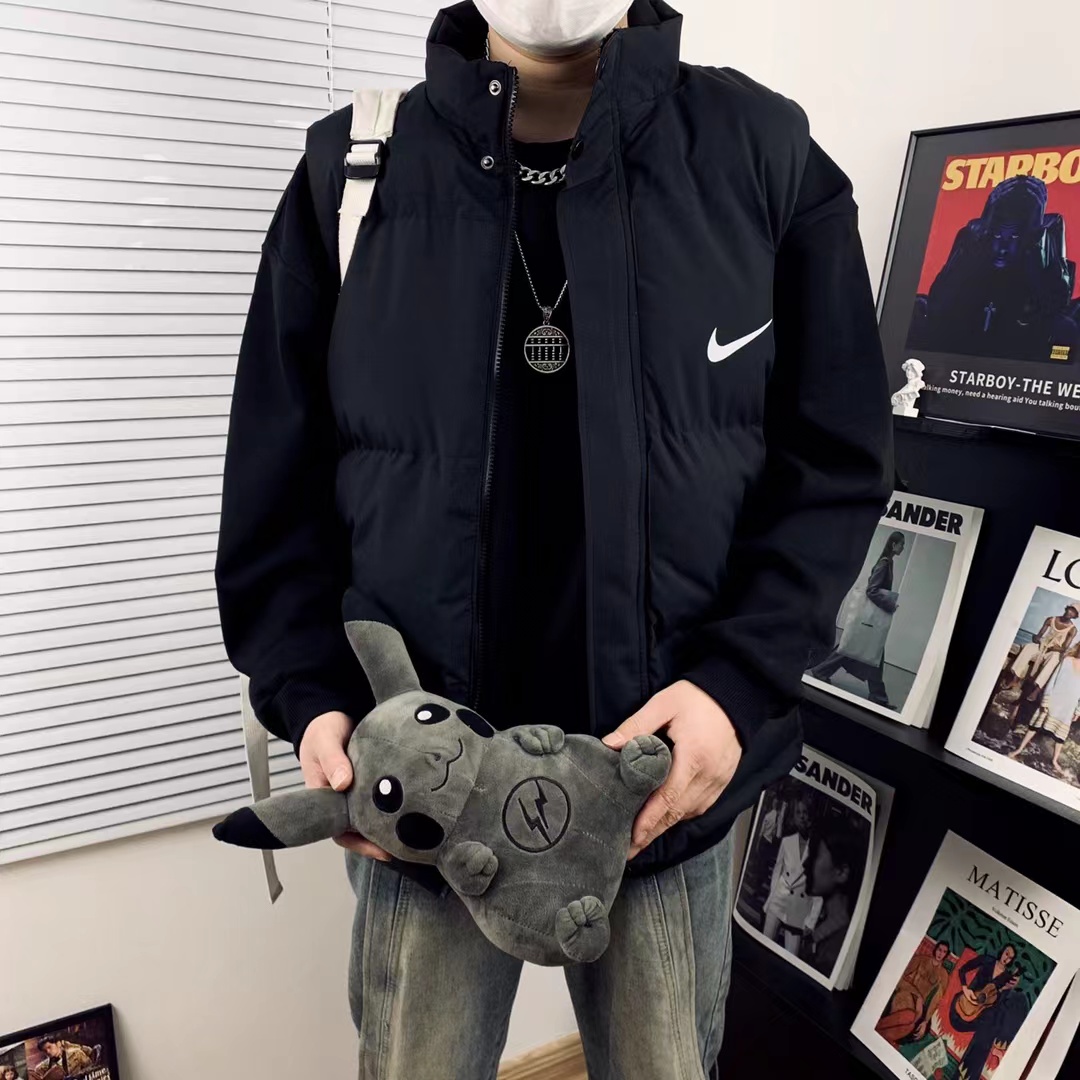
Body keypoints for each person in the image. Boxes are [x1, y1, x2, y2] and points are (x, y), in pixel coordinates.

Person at [214, 0, 893, 1075]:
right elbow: (274, 482)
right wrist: (315, 699)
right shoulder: (352, 172)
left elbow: (836, 462)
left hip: (663, 779)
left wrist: (736, 684)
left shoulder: (764, 155)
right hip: (426, 783)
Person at [809, 531, 905, 707]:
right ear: (894, 545)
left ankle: (822, 671)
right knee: (862, 650)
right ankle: (877, 696)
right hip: (871, 621)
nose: (903, 548)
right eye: (901, 544)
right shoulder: (884, 564)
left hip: (870, 622)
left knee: (858, 649)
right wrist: (889, 604)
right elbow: (872, 590)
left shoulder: (887, 562)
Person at [948, 945, 1028, 1080]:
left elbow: (996, 1002)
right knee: (990, 1024)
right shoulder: (987, 960)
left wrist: (1006, 989)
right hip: (964, 1006)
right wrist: (966, 989)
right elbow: (963, 970)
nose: (1007, 958)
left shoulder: (1007, 976)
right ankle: (967, 1074)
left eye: (1010, 958)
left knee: (992, 1021)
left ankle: (966, 1074)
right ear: (1002, 951)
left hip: (981, 1014)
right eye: (1006, 953)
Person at [1009, 640, 1080, 774]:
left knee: (1060, 736)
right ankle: (1019, 749)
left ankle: (1054, 760)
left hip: (1068, 707)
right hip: (1053, 700)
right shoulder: (1067, 661)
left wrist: (1078, 710)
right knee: (1034, 726)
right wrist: (1046, 700)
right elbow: (1052, 681)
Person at [802, 823, 862, 977]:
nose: (805, 863)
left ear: (841, 873)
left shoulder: (835, 950)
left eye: (814, 855)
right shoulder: (828, 923)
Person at [761, 796, 813, 954]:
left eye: (805, 812)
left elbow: (819, 887)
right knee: (764, 947)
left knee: (791, 955)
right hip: (779, 899)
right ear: (794, 817)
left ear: (810, 816)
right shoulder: (787, 841)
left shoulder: (817, 848)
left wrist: (811, 920)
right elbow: (777, 872)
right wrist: (770, 899)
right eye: (798, 813)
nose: (802, 816)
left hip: (798, 908)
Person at [876, 940, 952, 1045]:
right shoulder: (920, 959)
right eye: (939, 950)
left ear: (946, 955)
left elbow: (936, 1000)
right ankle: (881, 1030)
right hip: (908, 993)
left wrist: (926, 1021)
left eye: (944, 952)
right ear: (935, 949)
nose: (940, 953)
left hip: (921, 1006)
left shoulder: (943, 974)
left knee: (912, 1026)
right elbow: (900, 978)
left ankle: (881, 1032)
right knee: (909, 1016)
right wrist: (917, 995)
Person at [1006, 605, 1078, 702]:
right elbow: (1039, 636)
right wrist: (1036, 638)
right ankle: (1015, 679)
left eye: (1074, 612)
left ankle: (1036, 690)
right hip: (1042, 645)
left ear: (1075, 616)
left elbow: (1064, 648)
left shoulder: (1072, 629)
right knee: (1028, 647)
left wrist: (1054, 648)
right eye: (1070, 609)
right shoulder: (1051, 619)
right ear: (1066, 609)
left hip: (1054, 650)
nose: (1070, 612)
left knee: (1054, 659)